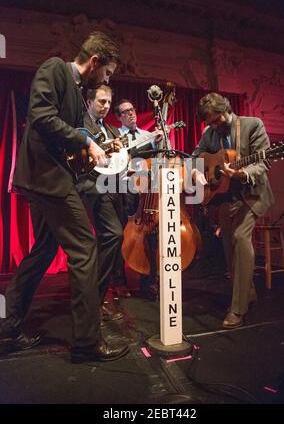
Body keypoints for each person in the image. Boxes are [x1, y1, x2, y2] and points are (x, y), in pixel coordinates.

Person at [0, 31, 129, 363]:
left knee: (43, 251)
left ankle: (8, 328)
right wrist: (87, 144)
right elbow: (42, 118)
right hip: (47, 180)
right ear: (95, 61)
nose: (107, 79)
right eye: (108, 73)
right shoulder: (56, 68)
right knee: (85, 249)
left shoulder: (76, 91)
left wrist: (93, 150)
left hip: (51, 179)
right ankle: (87, 343)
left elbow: (70, 141)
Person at [192, 92, 274, 329]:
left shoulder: (252, 125)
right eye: (210, 123)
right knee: (228, 245)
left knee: (240, 236)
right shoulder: (211, 133)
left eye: (217, 120)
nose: (214, 126)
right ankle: (247, 292)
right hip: (227, 196)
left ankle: (238, 309)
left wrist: (243, 173)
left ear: (226, 109)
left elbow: (264, 161)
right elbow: (197, 156)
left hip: (252, 194)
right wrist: (199, 172)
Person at [75, 84, 130, 328]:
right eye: (101, 101)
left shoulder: (107, 127)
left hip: (108, 188)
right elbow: (78, 154)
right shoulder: (81, 122)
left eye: (108, 102)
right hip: (89, 188)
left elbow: (107, 159)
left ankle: (97, 299)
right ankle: (94, 300)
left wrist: (116, 148)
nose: (106, 106)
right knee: (110, 236)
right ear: (89, 101)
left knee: (112, 237)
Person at [114, 99, 162, 300]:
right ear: (119, 117)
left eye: (133, 110)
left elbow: (157, 161)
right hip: (124, 189)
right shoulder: (116, 136)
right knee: (119, 234)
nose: (131, 114)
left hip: (145, 190)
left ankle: (148, 281)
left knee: (148, 233)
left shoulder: (147, 135)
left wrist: (159, 143)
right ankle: (119, 282)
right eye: (126, 112)